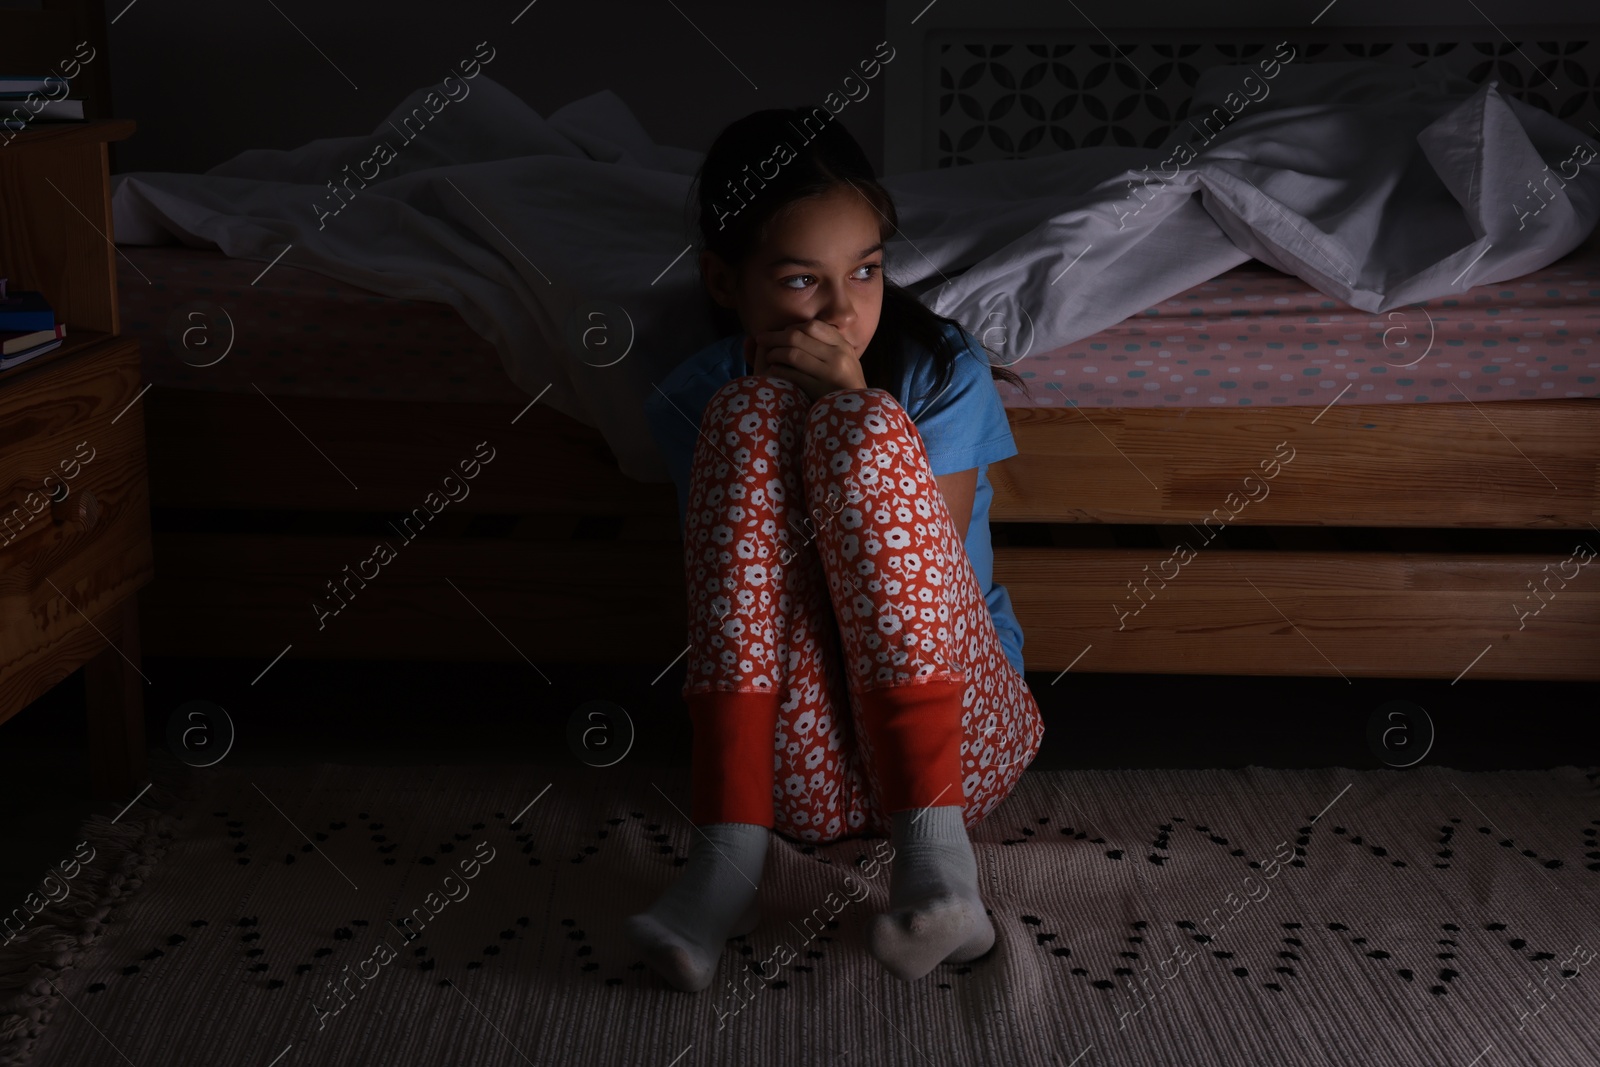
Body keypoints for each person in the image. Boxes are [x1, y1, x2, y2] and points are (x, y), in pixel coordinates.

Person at [627, 104, 1046, 993]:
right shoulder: (693, 399)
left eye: (866, 271)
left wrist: (856, 401)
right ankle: (727, 856)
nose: (842, 311)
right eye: (798, 281)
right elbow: (738, 600)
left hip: (959, 739)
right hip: (789, 771)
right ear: (724, 281)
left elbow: (931, 584)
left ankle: (940, 868)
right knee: (746, 414)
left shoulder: (940, 370)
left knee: (860, 428)